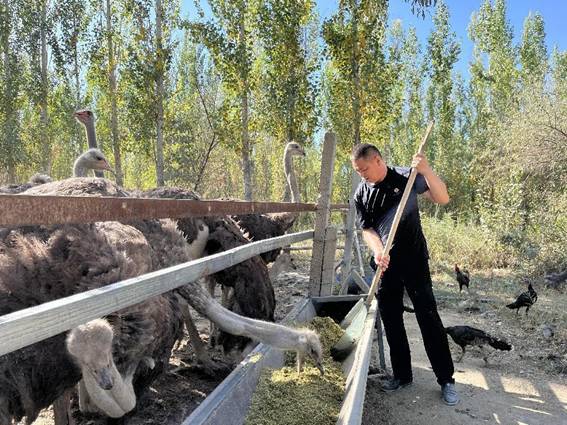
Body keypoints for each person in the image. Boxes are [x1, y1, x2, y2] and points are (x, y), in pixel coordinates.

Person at [351, 143, 459, 406]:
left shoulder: (407, 177)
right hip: (385, 265)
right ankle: (402, 375)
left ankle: (445, 379)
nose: (362, 175)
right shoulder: (361, 194)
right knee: (391, 319)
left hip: (414, 260)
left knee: (428, 316)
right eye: (357, 171)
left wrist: (426, 170)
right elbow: (367, 230)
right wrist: (378, 251)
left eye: (364, 169)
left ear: (377, 160)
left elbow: (443, 198)